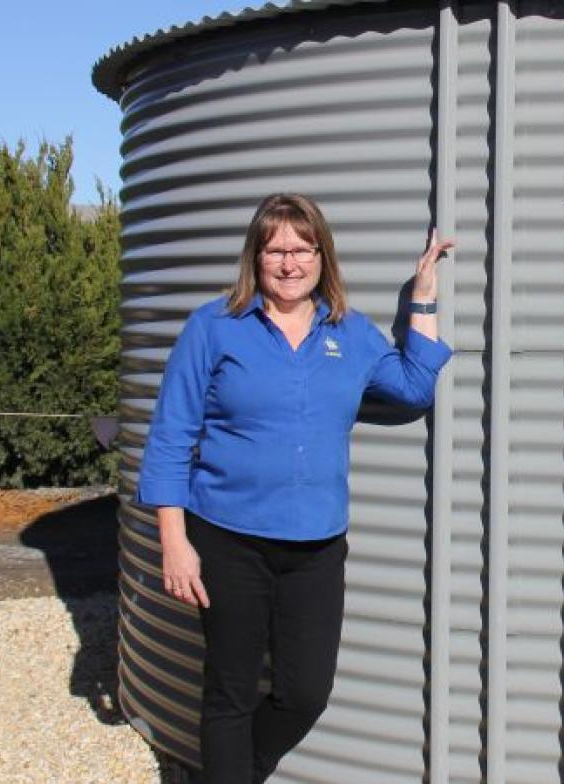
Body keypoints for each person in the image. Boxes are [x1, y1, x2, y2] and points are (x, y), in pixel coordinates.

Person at [136, 192, 453, 783]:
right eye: (275, 249)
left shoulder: (349, 334)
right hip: (226, 539)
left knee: (305, 693)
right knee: (229, 690)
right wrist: (173, 541)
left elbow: (413, 389)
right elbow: (171, 437)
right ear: (254, 258)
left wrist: (424, 294)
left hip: (316, 546)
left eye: (303, 248)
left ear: (322, 257)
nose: (289, 262)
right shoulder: (215, 328)